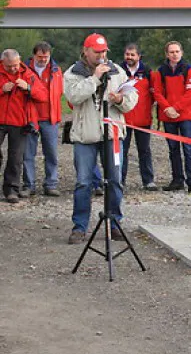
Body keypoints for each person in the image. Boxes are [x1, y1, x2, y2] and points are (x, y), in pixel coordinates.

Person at [63, 33, 138, 244]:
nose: (101, 55)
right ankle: (79, 227)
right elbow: (73, 96)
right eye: (97, 52)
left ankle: (114, 223)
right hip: (85, 136)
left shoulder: (117, 71)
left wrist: (121, 99)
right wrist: (95, 78)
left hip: (112, 134)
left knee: (115, 180)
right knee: (83, 182)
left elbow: (132, 97)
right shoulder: (72, 73)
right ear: (85, 51)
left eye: (104, 51)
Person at [151, 41, 191, 195]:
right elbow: (157, 92)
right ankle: (177, 179)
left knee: (188, 149)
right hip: (168, 116)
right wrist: (167, 108)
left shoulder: (189, 70)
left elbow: (190, 93)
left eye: (177, 51)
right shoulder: (161, 71)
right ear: (167, 54)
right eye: (171, 52)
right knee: (173, 149)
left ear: (181, 53)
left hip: (185, 115)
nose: (174, 54)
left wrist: (175, 108)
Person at [0, 49, 48, 203]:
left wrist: (28, 88)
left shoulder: (28, 74)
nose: (13, 69)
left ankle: (12, 190)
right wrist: (1, 90)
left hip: (19, 122)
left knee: (16, 158)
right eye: (9, 67)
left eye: (15, 65)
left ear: (19, 60)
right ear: (3, 63)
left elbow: (43, 96)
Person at [21, 42, 63, 197]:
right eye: (40, 57)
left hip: (50, 117)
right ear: (34, 55)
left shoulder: (56, 70)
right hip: (30, 117)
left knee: (51, 153)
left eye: (46, 57)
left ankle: (51, 184)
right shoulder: (24, 70)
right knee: (28, 154)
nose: (43, 60)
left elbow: (58, 93)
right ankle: (28, 185)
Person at [120, 43, 158, 191]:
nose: (129, 57)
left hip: (143, 119)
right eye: (127, 54)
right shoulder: (118, 71)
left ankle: (148, 180)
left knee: (145, 150)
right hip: (123, 119)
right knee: (122, 151)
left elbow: (154, 93)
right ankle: (119, 180)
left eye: (132, 55)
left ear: (139, 56)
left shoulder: (147, 72)